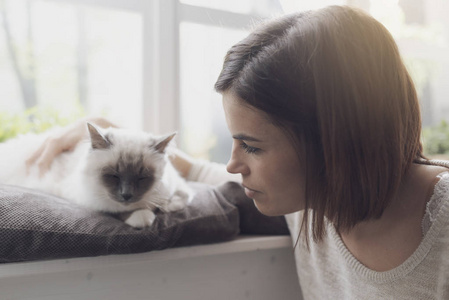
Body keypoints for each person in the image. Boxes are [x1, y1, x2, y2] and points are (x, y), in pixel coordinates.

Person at [26, 5, 449, 299]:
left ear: (332, 140)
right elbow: (205, 171)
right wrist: (112, 136)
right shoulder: (308, 199)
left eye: (251, 146)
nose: (233, 163)